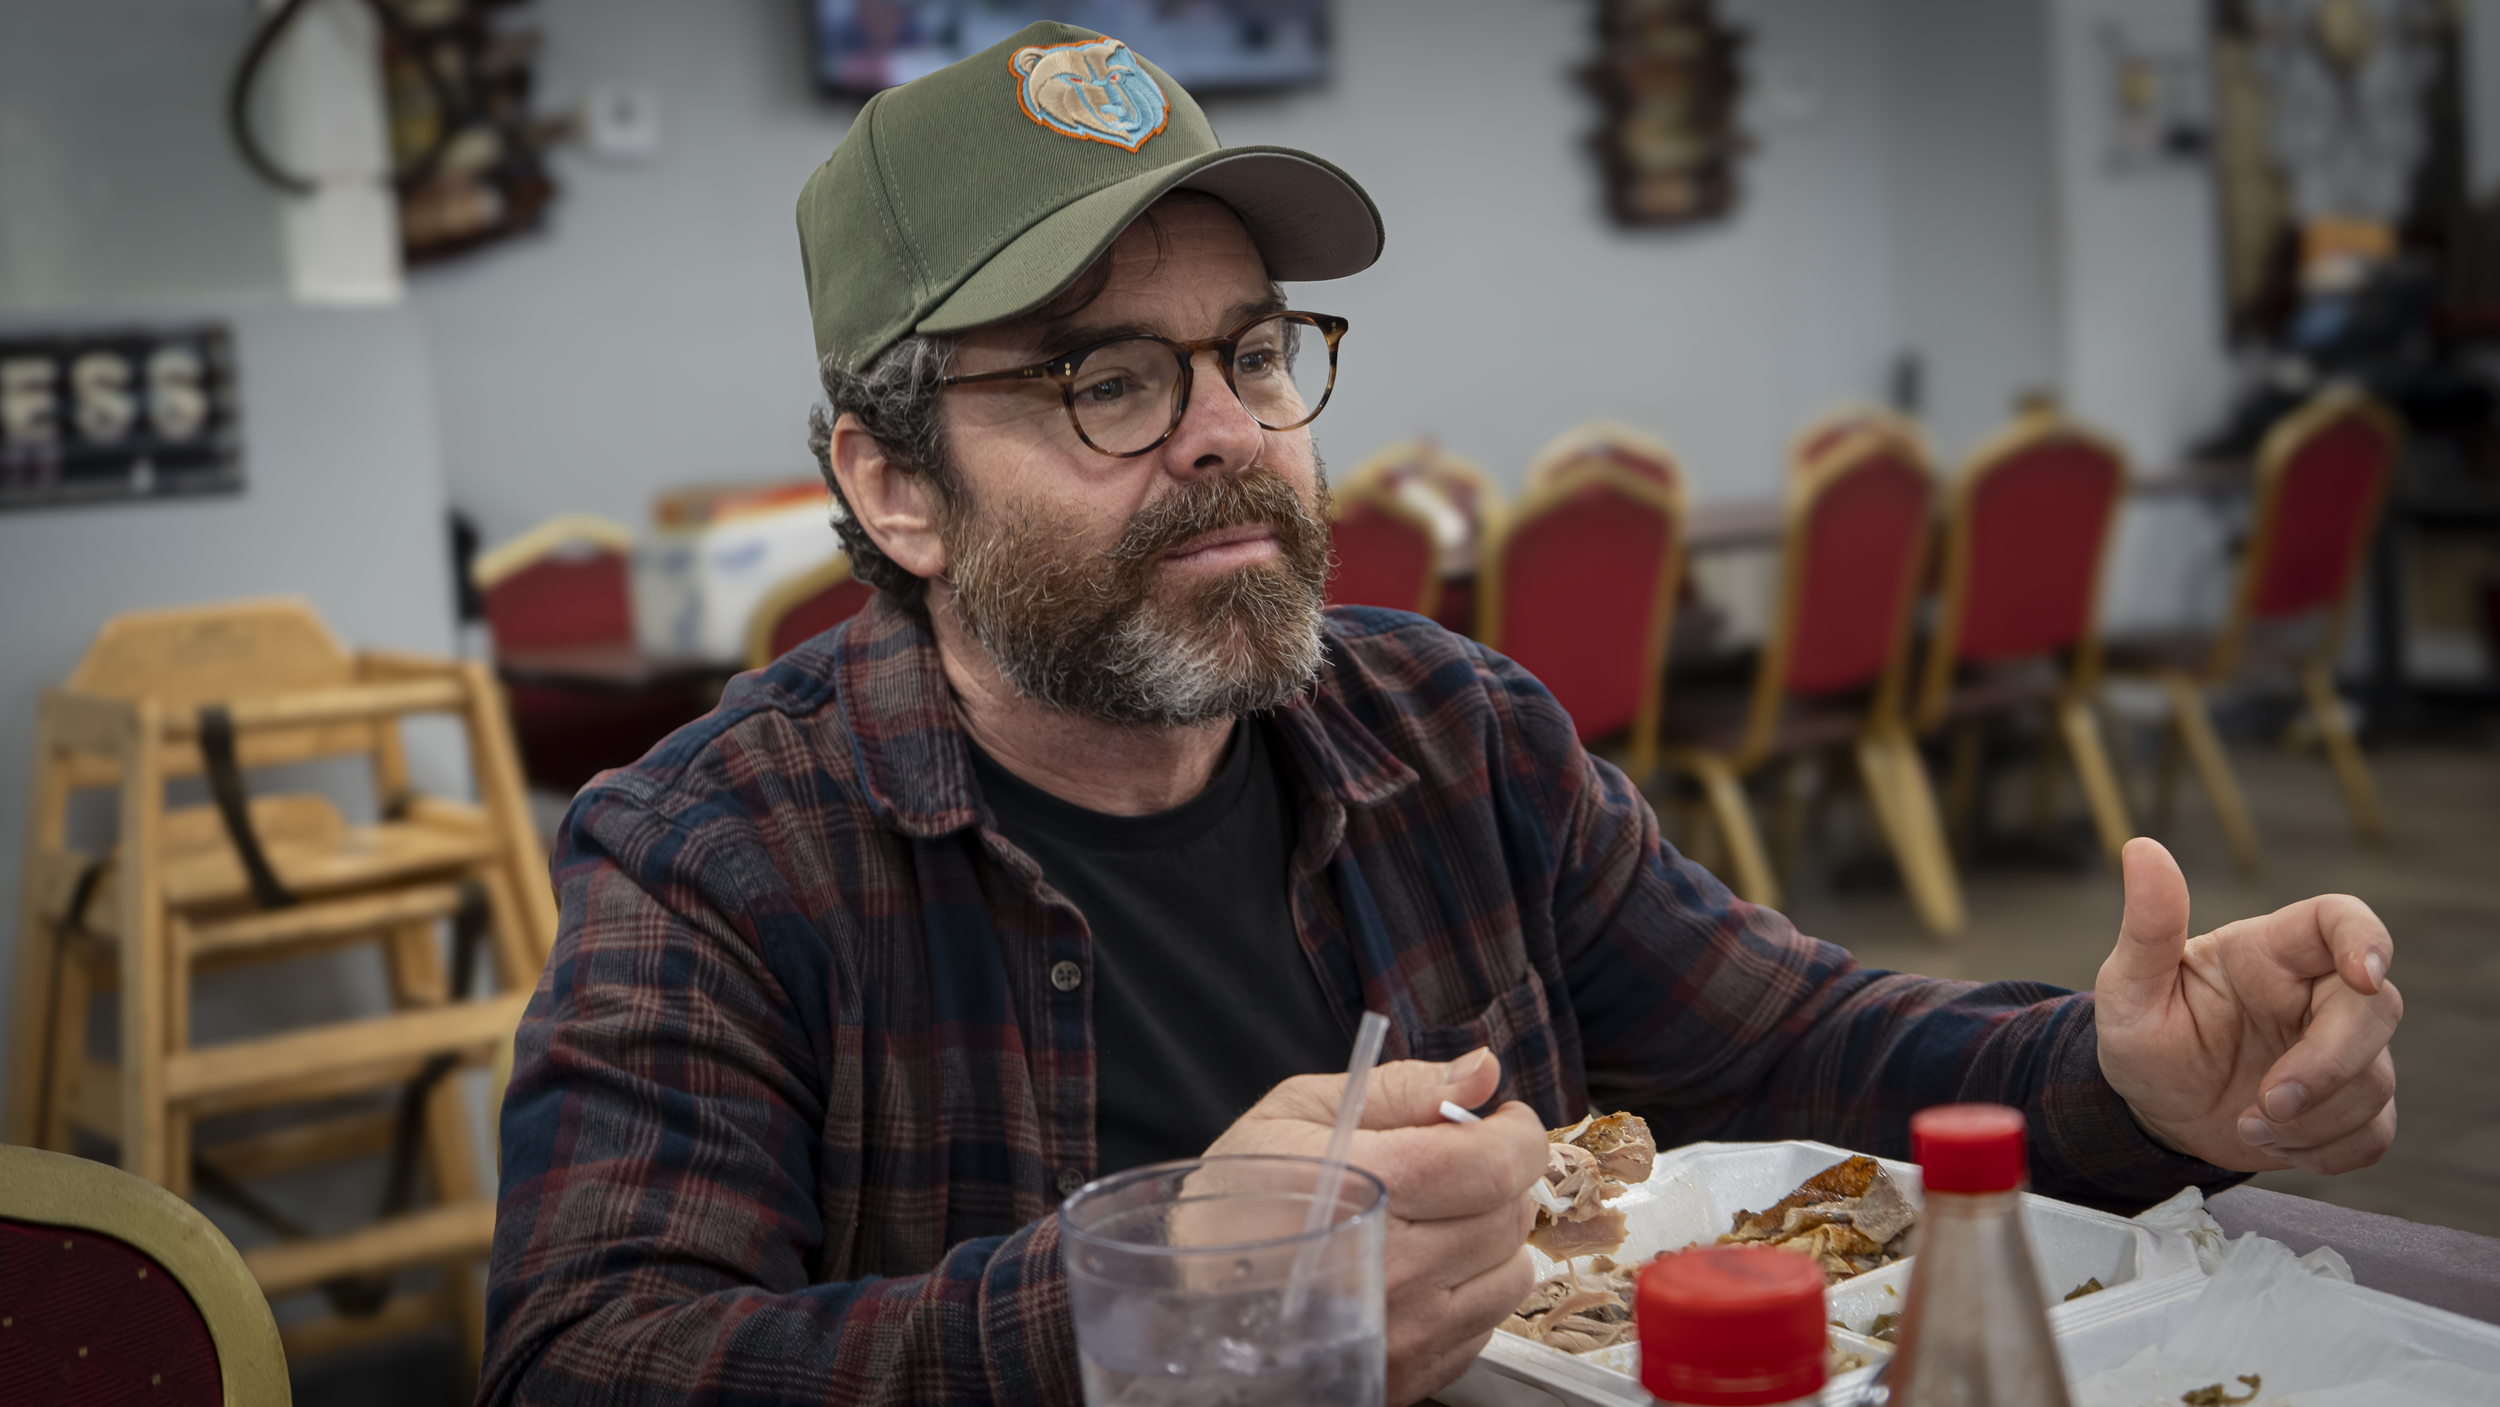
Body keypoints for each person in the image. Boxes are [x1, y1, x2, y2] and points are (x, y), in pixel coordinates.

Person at [480, 23, 2402, 1407]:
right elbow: (588, 1360)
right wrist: (1137, 1307)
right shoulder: (720, 852)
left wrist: (2122, 1082)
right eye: (1107, 382)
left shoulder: (1446, 728)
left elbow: (1794, 1044)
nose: (1233, 432)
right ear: (894, 485)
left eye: (1250, 351)